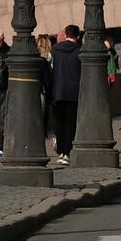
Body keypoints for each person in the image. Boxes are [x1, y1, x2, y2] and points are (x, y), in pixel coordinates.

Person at [51, 26, 82, 166]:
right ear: (78, 36)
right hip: (74, 91)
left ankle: (61, 151)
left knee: (59, 122)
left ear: (65, 34)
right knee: (70, 123)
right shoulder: (80, 50)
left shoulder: (55, 50)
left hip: (58, 90)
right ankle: (67, 153)